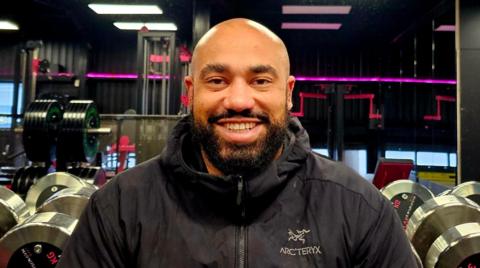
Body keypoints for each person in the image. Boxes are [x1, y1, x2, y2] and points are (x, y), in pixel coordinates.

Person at [58, 18, 417, 267]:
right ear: (191, 91)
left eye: (260, 80)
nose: (239, 100)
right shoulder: (119, 209)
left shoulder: (359, 210)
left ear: (288, 93)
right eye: (217, 80)